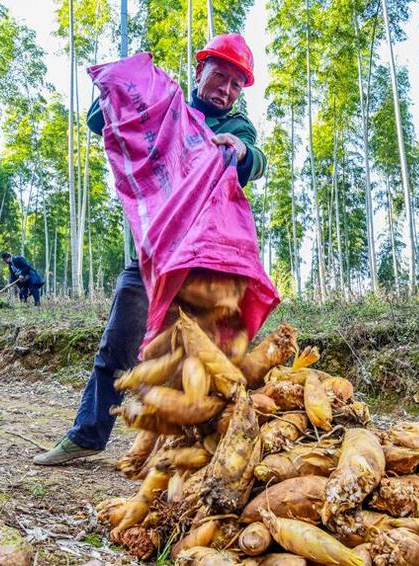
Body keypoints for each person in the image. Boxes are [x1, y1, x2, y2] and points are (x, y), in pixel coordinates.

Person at [33, 34, 266, 466]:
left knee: (219, 355)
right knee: (118, 345)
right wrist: (118, 90)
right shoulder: (163, 104)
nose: (226, 89)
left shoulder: (234, 126)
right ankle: (87, 435)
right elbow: (101, 121)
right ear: (200, 70)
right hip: (154, 254)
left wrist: (241, 151)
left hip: (207, 264)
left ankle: (216, 447)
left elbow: (253, 157)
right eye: (220, 76)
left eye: (237, 84)